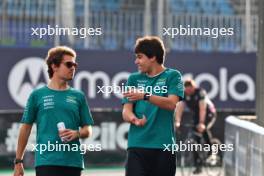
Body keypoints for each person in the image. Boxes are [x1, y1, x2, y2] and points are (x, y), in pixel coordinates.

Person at [13, 46, 94, 176]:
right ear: (54, 66)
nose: (73, 67)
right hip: (46, 163)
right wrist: (18, 161)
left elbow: (88, 129)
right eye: (69, 64)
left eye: (75, 64)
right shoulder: (37, 95)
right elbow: (25, 128)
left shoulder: (79, 96)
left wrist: (77, 133)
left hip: (73, 163)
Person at [122, 36, 184, 176]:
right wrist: (134, 120)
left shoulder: (173, 76)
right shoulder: (133, 79)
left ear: (153, 57)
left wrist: (145, 96)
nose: (136, 61)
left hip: (164, 147)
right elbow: (126, 111)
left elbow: (171, 104)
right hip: (136, 146)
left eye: (140, 57)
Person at [175, 78, 217, 174]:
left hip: (209, 113)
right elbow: (180, 107)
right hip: (196, 114)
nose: (188, 91)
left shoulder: (200, 93)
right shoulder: (184, 94)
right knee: (194, 139)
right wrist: (177, 121)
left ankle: (212, 152)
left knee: (202, 129)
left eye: (190, 89)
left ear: (194, 87)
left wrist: (202, 123)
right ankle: (198, 164)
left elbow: (203, 108)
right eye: (187, 89)